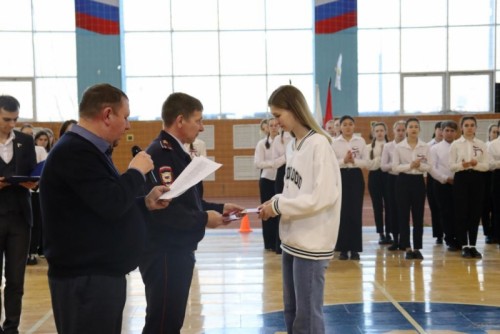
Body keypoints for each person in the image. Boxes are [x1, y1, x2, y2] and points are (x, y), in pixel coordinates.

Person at [39, 83, 171, 334]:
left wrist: (144, 202)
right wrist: (135, 171)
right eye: (126, 116)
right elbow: (111, 204)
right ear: (108, 114)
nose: (129, 125)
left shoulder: (87, 150)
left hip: (97, 276)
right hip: (85, 281)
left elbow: (97, 204)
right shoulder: (76, 151)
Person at [139, 92, 243, 334]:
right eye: (198, 120)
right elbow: (166, 211)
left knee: (171, 320)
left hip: (176, 249)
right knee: (163, 322)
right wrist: (206, 218)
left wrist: (217, 208)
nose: (202, 127)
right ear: (180, 120)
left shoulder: (177, 152)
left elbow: (187, 199)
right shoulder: (161, 154)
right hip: (164, 251)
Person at [258, 85, 341, 334]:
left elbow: (322, 197)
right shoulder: (293, 145)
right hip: (292, 239)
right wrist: (274, 201)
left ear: (294, 110)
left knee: (307, 316)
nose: (275, 121)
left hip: (312, 243)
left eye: (277, 115)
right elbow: (294, 191)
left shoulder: (320, 145)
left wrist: (279, 205)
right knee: (292, 311)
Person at [0, 95, 37, 334]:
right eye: (5, 119)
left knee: (16, 279)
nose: (11, 124)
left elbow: (33, 173)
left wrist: (31, 182)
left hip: (20, 218)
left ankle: (12, 327)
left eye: (14, 119)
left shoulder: (25, 140)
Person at [449, 116, 489, 259]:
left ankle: (472, 245)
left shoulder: (481, 144)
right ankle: (464, 246)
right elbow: (451, 165)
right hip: (461, 179)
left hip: (477, 179)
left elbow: (487, 166)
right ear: (462, 127)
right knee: (461, 212)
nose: (470, 127)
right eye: (466, 125)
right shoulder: (455, 144)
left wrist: (475, 164)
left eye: (472, 125)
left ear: (476, 128)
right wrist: (463, 165)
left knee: (475, 212)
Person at [392, 118, 431, 260]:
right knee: (403, 215)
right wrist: (410, 165)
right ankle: (407, 247)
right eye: (411, 127)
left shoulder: (425, 146)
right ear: (406, 129)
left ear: (419, 129)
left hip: (418, 182)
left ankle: (417, 247)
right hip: (403, 181)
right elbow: (395, 167)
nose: (413, 129)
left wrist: (419, 166)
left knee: (418, 216)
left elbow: (429, 166)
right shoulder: (399, 147)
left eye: (416, 127)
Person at [332, 115, 368, 260]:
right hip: (340, 177)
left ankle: (354, 249)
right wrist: (343, 161)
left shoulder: (360, 141)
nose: (347, 127)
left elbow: (365, 162)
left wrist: (354, 161)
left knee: (355, 212)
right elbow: (331, 162)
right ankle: (342, 248)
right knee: (342, 212)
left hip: (355, 176)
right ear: (340, 127)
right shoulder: (334, 143)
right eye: (344, 124)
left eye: (350, 124)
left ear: (354, 126)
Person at [429, 121, 459, 251]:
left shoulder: (460, 146)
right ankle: (450, 239)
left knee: (459, 212)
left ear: (456, 132)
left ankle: (460, 238)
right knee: (446, 212)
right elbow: (432, 168)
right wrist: (445, 178)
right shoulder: (435, 148)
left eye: (452, 131)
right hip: (442, 184)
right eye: (446, 130)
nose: (449, 133)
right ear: (442, 131)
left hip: (459, 184)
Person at [254, 118, 280, 252]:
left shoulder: (284, 142)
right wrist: (273, 163)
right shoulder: (262, 144)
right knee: (266, 211)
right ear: (267, 128)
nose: (274, 128)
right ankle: (269, 243)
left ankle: (279, 243)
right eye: (271, 125)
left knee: (280, 211)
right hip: (267, 179)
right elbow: (258, 163)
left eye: (276, 125)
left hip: (281, 179)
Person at [381, 120, 406, 251]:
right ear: (393, 131)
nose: (401, 133)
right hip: (392, 180)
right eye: (398, 130)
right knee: (392, 209)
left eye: (403, 130)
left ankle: (405, 240)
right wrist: (395, 164)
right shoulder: (388, 146)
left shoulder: (410, 145)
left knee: (404, 210)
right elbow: (383, 166)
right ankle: (395, 239)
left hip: (405, 178)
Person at [366, 122, 391, 245]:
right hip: (374, 177)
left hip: (388, 177)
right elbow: (369, 165)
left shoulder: (392, 146)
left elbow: (392, 164)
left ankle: (389, 232)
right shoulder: (368, 147)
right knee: (377, 206)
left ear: (386, 132)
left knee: (390, 205)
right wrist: (380, 157)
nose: (380, 133)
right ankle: (381, 233)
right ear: (373, 133)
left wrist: (382, 160)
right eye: (377, 131)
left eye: (382, 130)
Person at [482, 123, 499, 244]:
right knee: (491, 207)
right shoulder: (491, 145)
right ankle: (491, 233)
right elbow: (490, 164)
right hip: (492, 177)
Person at [427, 122, 443, 245]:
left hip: (448, 178)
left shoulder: (452, 144)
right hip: (432, 178)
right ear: (435, 130)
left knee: (447, 207)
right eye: (440, 129)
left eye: (445, 129)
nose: (442, 132)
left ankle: (449, 232)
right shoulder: (428, 146)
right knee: (435, 207)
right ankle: (438, 234)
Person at [488, 119, 500, 246]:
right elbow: (490, 164)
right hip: (497, 176)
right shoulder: (493, 145)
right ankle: (497, 235)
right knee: (497, 207)